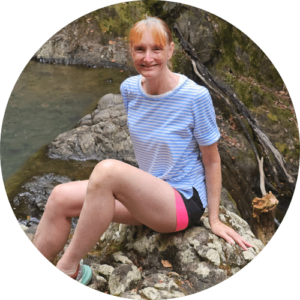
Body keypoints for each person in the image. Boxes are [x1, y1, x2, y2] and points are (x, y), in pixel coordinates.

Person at [33, 16, 253, 285]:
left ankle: (69, 268)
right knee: (58, 197)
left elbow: (212, 161)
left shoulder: (195, 97)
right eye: (140, 49)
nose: (148, 58)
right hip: (148, 194)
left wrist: (215, 219)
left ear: (171, 50)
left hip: (182, 202)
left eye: (156, 49)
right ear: (131, 51)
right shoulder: (129, 90)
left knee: (108, 171)